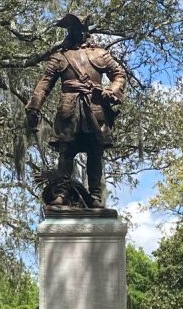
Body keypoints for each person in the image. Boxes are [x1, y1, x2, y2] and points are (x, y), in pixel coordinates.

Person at [25, 13, 126, 208]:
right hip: (69, 107)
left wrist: (111, 91)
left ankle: (95, 194)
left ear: (85, 31)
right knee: (66, 150)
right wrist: (34, 107)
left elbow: (119, 74)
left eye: (78, 28)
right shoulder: (59, 58)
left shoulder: (100, 54)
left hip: (94, 105)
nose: (75, 32)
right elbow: (44, 83)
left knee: (95, 151)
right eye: (71, 29)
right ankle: (62, 192)